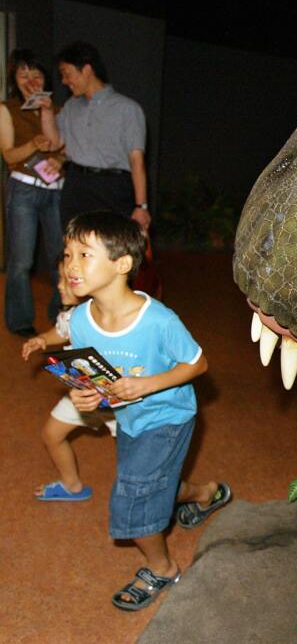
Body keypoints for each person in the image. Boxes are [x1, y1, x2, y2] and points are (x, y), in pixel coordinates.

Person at [64, 211, 229, 611]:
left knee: (133, 498)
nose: (71, 264)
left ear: (122, 264)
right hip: (129, 420)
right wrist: (84, 398)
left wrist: (148, 384)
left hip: (168, 418)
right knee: (154, 484)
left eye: (85, 255)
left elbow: (198, 363)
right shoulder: (80, 320)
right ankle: (206, 493)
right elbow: (89, 377)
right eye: (67, 254)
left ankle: (163, 568)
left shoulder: (157, 320)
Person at [23, 256, 117, 501]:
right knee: (52, 434)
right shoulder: (69, 316)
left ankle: (184, 492)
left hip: (120, 404)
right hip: (83, 394)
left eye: (67, 280)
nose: (59, 286)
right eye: (59, 279)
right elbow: (59, 332)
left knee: (141, 461)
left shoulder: (113, 318)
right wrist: (43, 339)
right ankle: (70, 485)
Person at [38, 41, 151, 231]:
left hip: (112, 187)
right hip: (76, 185)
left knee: (110, 248)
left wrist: (141, 206)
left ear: (87, 70)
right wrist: (47, 111)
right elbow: (54, 142)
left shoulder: (127, 108)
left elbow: (136, 161)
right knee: (73, 245)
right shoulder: (71, 106)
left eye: (67, 74)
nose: (64, 81)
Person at [1, 49, 65, 337]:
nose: (30, 80)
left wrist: (59, 159)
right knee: (21, 261)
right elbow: (8, 154)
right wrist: (33, 146)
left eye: (36, 74)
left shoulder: (58, 109)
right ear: (14, 78)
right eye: (23, 74)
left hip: (56, 189)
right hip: (24, 188)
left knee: (60, 258)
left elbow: (63, 149)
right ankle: (20, 320)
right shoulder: (7, 108)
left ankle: (61, 315)